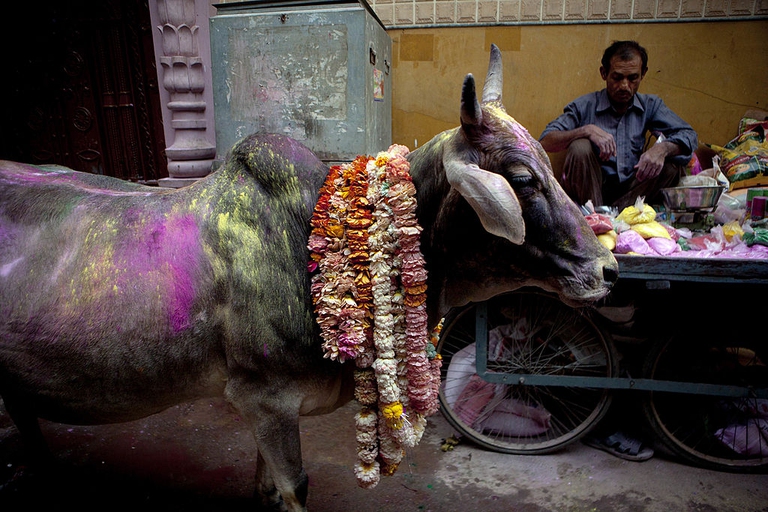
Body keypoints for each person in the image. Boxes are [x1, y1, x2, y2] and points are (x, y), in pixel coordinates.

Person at [539, 40, 698, 210]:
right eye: (617, 77)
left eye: (632, 78)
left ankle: (621, 217)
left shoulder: (650, 106)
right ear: (604, 73)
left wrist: (662, 149)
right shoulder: (585, 106)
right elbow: (545, 142)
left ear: (643, 74)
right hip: (593, 193)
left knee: (671, 164)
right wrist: (586, 131)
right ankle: (596, 218)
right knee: (580, 147)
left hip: (633, 192)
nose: (624, 86)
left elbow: (689, 136)